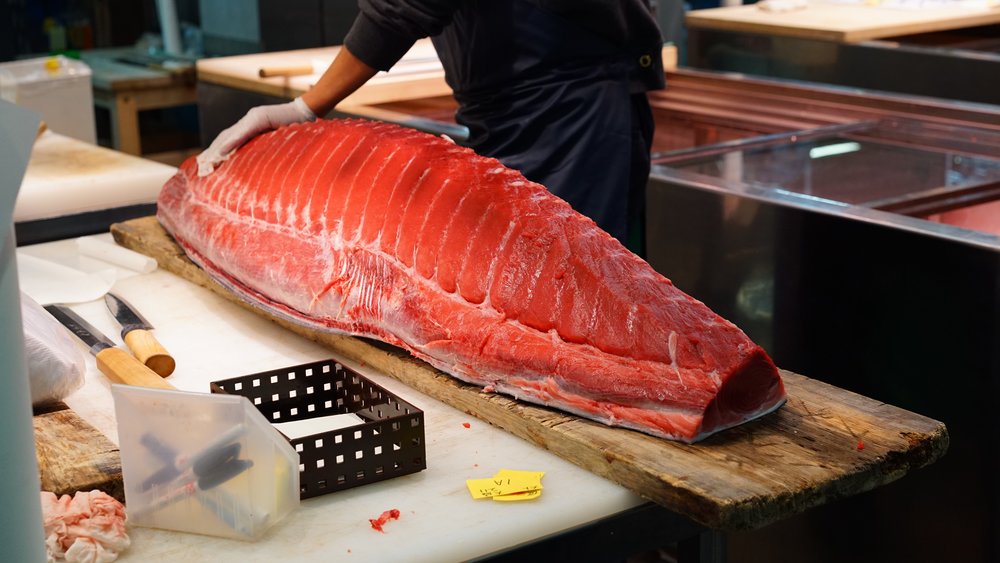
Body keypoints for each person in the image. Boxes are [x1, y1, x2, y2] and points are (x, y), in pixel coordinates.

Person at [197, 1, 665, 253]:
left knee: (566, 288)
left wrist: (306, 106)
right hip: (508, 108)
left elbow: (401, 8)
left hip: (569, 114)